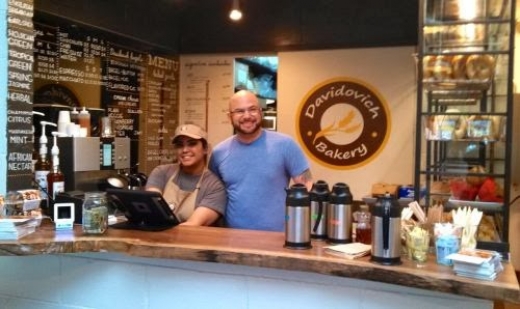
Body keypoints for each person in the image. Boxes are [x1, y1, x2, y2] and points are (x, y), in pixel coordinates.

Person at [209, 90, 313, 232]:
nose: (247, 116)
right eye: (239, 111)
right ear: (229, 117)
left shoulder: (286, 145)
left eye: (252, 109)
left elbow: (307, 187)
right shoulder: (218, 153)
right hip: (232, 240)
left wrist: (304, 229)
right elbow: (214, 197)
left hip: (279, 239)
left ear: (260, 112)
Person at [146, 124, 227, 226]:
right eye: (180, 145)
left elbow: (192, 225)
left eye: (192, 144)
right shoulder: (161, 172)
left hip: (190, 240)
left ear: (205, 149)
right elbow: (151, 210)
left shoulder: (214, 187)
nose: (185, 150)